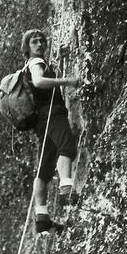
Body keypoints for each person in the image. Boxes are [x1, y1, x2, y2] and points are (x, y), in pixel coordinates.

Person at [21, 29, 80, 234]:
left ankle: (42, 217)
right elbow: (38, 82)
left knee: (44, 170)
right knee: (68, 147)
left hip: (41, 120)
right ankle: (66, 189)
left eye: (41, 40)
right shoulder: (35, 63)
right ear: (27, 48)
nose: (39, 44)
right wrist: (67, 81)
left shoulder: (30, 65)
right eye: (34, 42)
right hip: (52, 114)